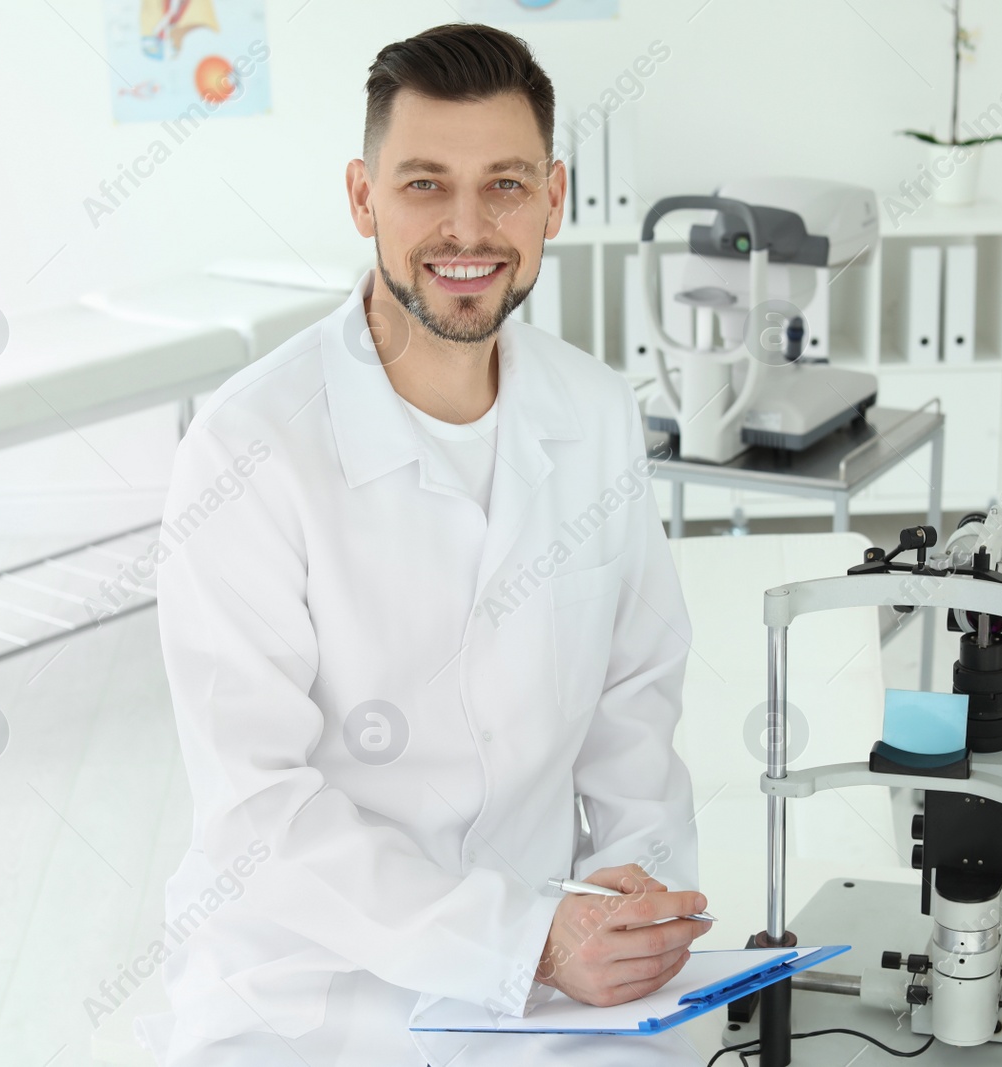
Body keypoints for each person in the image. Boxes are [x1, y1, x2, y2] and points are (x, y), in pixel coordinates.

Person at [135, 22, 713, 1067]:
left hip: (552, 974)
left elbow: (637, 707)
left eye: (503, 184)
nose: (466, 226)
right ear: (362, 198)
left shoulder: (596, 411)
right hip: (305, 983)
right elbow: (255, 812)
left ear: (553, 198)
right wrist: (521, 936)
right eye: (422, 184)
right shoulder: (248, 445)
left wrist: (631, 904)